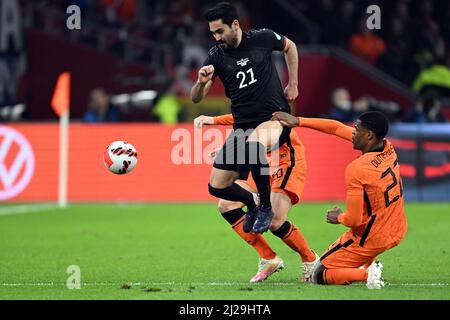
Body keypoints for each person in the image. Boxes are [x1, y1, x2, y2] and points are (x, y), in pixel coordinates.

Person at [191, 2, 299, 234]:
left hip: (273, 119)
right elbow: (196, 98)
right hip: (242, 127)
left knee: (253, 147)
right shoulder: (216, 57)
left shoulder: (263, 37)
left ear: (235, 25)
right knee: (217, 187)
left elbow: (290, 47)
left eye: (220, 31)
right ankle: (253, 203)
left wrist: (293, 83)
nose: (217, 37)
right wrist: (200, 83)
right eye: (213, 33)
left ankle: (266, 207)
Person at [272, 111, 408, 289]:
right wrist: (298, 121)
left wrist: (338, 217)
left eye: (356, 129)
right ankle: (367, 262)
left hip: (372, 237)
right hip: (397, 227)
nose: (352, 132)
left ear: (369, 135)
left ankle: (368, 273)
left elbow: (354, 220)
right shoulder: (388, 147)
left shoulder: (358, 169)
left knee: (318, 273)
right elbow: (335, 128)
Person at [195, 114, 319, 283]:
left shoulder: (274, 105)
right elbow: (243, 116)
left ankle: (310, 259)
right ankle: (268, 257)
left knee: (274, 221)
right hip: (261, 164)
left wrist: (214, 120)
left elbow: (257, 119)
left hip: (286, 162)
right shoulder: (254, 102)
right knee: (226, 205)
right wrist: (230, 149)